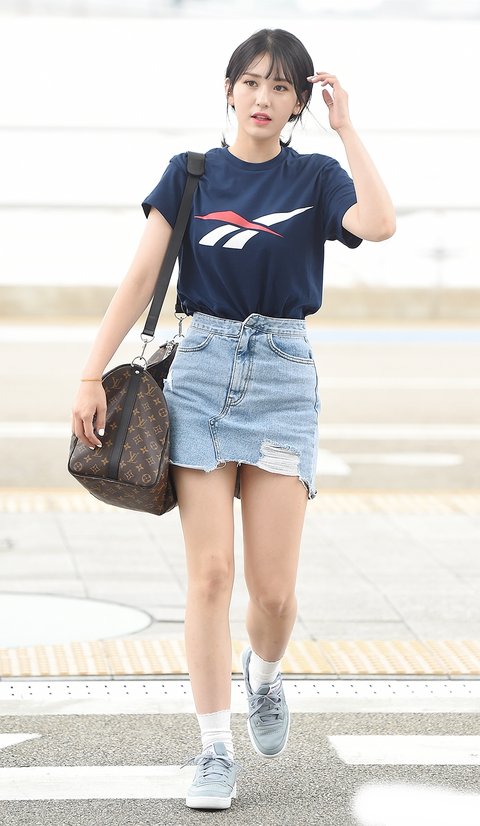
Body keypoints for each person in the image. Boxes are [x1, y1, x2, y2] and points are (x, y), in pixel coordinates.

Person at [71, 28, 395, 811]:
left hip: (283, 378)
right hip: (201, 373)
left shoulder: (316, 175)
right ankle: (215, 750)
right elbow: (140, 277)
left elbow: (380, 224)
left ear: (297, 102)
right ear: (228, 90)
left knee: (273, 596)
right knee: (211, 574)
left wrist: (347, 128)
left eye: (281, 88)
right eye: (250, 83)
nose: (262, 98)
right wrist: (89, 374)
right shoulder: (191, 174)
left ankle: (266, 673)